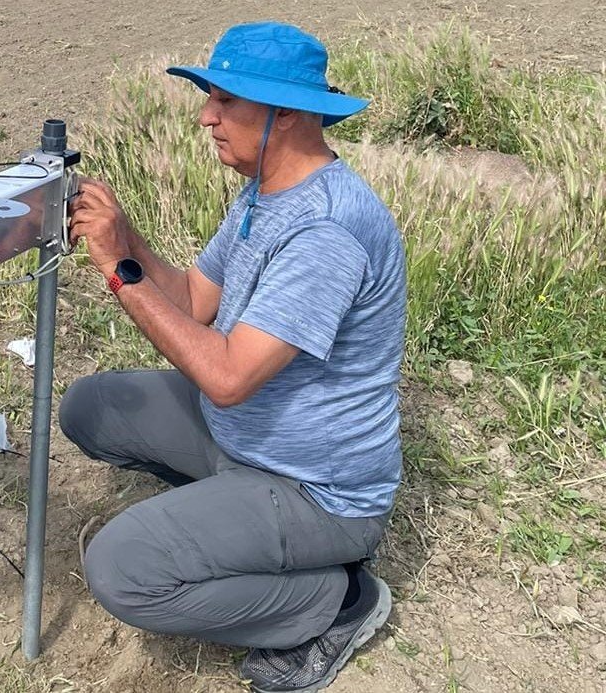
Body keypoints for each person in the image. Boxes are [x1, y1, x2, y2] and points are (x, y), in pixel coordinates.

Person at [60, 22, 406, 692]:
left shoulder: (327, 230)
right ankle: (232, 519)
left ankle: (334, 602)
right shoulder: (267, 193)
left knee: (122, 570)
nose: (205, 118)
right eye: (210, 98)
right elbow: (193, 299)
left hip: (317, 489)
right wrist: (124, 233)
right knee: (90, 408)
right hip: (246, 440)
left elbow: (226, 377)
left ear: (288, 113)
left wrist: (118, 272)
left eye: (226, 101)